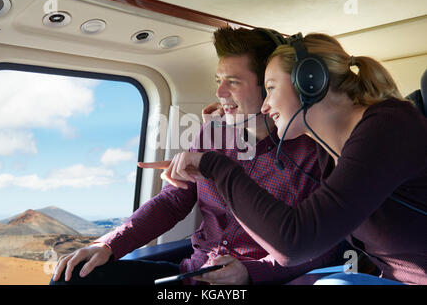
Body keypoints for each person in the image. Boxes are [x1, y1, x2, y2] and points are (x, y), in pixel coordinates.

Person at [51, 27, 344, 285]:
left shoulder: (316, 154)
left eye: (234, 82)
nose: (219, 92)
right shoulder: (212, 132)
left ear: (269, 85)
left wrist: (250, 273)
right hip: (190, 273)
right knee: (74, 276)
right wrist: (109, 245)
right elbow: (172, 201)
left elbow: (323, 248)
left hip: (254, 282)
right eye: (218, 80)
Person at [159, 32, 427, 285]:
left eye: (271, 88)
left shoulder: (388, 128)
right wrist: (227, 126)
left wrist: (214, 166)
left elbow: (294, 244)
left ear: (310, 82)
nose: (265, 105)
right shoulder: (329, 152)